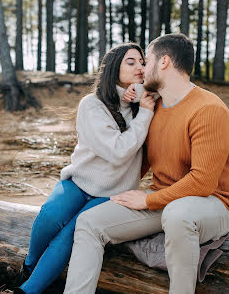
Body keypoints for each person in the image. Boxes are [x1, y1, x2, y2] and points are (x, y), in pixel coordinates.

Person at [64, 33, 229, 294]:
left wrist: (147, 201)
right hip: (165, 200)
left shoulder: (208, 109)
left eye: (148, 61)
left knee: (178, 214)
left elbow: (202, 183)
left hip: (213, 204)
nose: (142, 69)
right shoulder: (154, 108)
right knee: (90, 222)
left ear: (165, 62)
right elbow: (138, 159)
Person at [14, 43, 157, 294]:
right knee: (51, 216)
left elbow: (157, 93)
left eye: (142, 62)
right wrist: (142, 111)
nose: (140, 67)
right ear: (114, 68)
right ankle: (30, 265)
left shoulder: (144, 104)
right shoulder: (92, 105)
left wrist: (140, 103)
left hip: (111, 193)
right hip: (79, 182)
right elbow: (117, 150)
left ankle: (28, 290)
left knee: (71, 234)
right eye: (131, 62)